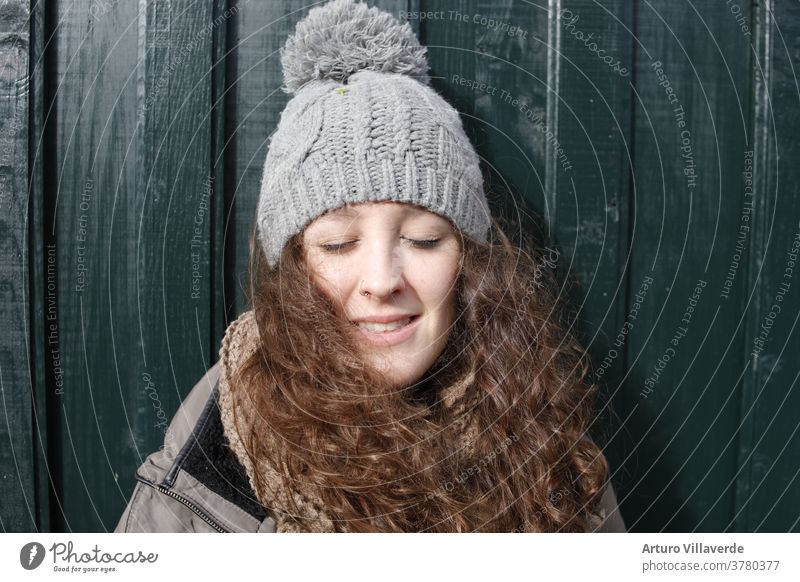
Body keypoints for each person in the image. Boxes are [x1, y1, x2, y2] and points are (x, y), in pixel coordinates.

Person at [115, 0, 625, 533]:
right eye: (337, 243)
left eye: (424, 239)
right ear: (292, 268)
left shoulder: (542, 433)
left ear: (469, 262)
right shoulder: (207, 468)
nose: (382, 281)